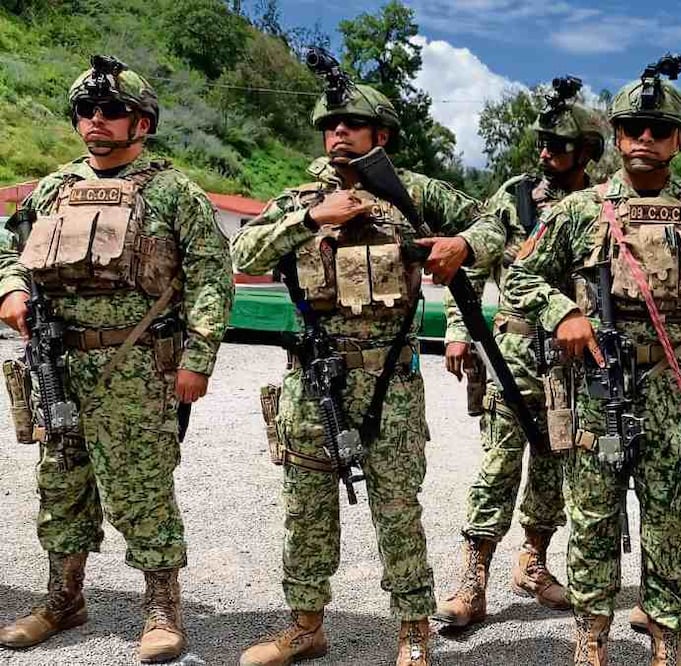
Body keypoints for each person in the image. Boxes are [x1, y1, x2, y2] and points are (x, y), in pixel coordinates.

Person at [232, 80, 504, 666]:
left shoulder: (415, 192)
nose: (337, 133)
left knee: (398, 511)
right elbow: (242, 256)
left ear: (380, 136)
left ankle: (413, 633)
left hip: (392, 385)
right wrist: (309, 218)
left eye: (350, 124)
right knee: (305, 510)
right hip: (314, 384)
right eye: (330, 125)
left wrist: (460, 244)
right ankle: (306, 626)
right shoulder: (298, 199)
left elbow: (494, 224)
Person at [502, 55, 681, 666]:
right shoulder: (580, 209)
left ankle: (666, 642)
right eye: (631, 129)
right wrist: (562, 310)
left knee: (671, 522)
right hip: (597, 386)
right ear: (615, 137)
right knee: (591, 518)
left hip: (678, 388)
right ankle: (591, 640)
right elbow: (518, 277)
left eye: (658, 131)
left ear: (679, 141)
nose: (644, 140)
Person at [0, 55, 233, 663]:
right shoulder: (53, 189)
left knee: (142, 487)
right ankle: (62, 598)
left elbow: (213, 277)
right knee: (61, 482)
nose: (97, 120)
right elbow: (8, 246)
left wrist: (198, 358)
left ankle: (161, 606)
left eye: (113, 111)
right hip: (59, 362)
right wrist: (12, 288)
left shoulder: (174, 191)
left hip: (137, 366)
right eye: (87, 110)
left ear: (143, 124)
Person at [434, 78, 608, 628]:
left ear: (585, 153)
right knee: (497, 466)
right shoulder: (513, 196)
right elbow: (476, 258)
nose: (545, 154)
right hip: (513, 352)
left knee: (554, 467)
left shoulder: (599, 204)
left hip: (572, 362)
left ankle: (532, 561)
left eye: (557, 146)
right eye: (542, 144)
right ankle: (474, 578)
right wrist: (459, 329)